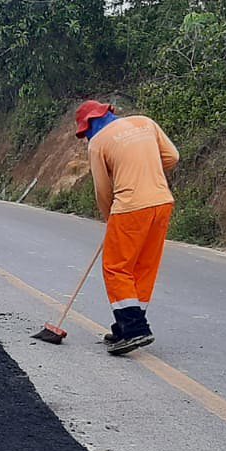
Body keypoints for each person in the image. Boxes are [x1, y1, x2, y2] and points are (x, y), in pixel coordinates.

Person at [77, 100, 179, 355]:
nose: (86, 136)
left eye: (85, 131)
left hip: (130, 207)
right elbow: (172, 157)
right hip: (162, 202)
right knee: (143, 267)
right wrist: (145, 170)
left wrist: (109, 218)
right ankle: (125, 326)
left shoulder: (98, 143)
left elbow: (103, 189)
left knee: (116, 267)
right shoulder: (146, 123)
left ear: (91, 122)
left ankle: (135, 329)